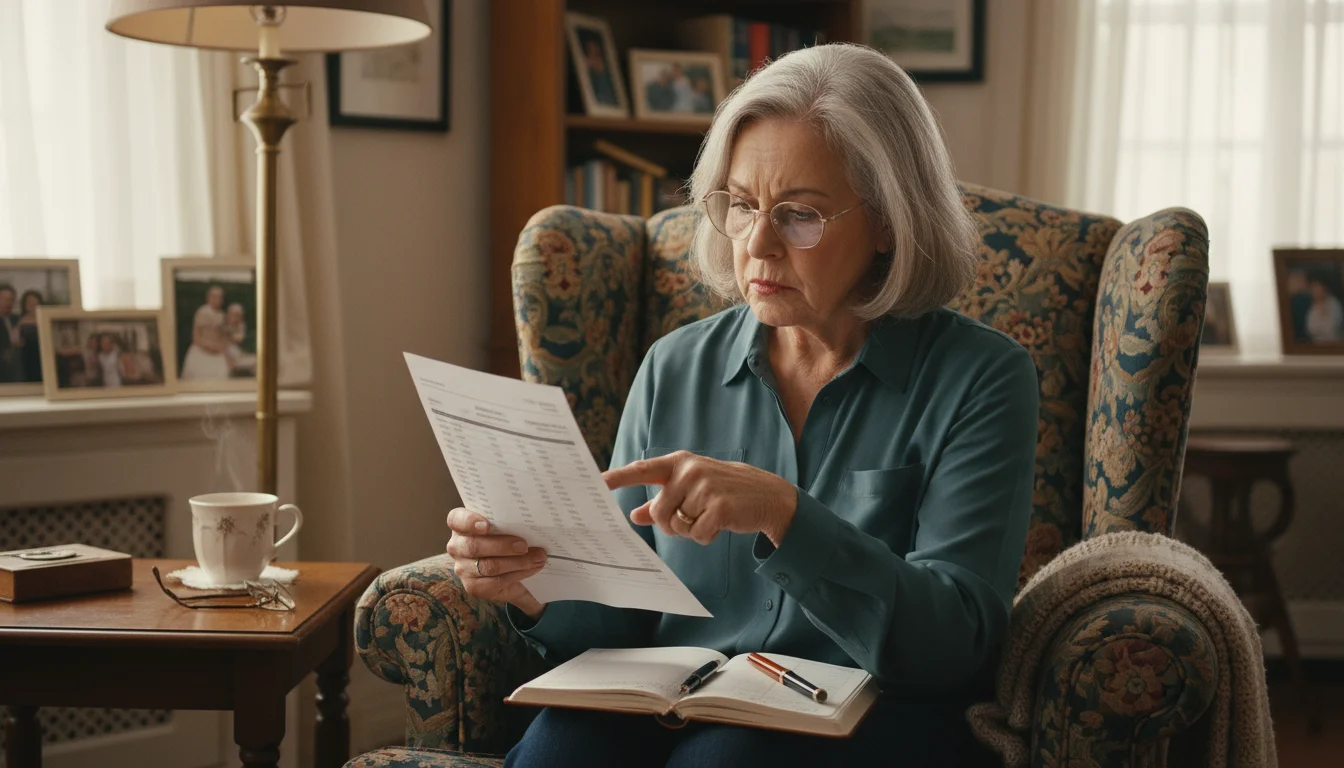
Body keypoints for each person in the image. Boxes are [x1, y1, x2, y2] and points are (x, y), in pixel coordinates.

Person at [446, 43, 1036, 767]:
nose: (756, 243)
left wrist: (788, 515)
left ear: (889, 221)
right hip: (679, 702)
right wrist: (532, 582)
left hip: (878, 716)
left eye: (799, 216)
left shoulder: (983, 378)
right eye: (740, 204)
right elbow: (622, 614)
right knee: (554, 752)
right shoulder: (675, 365)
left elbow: (957, 645)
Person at [180, 285, 231, 380]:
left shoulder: (222, 315)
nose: (218, 300)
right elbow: (196, 336)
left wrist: (223, 349)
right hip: (201, 353)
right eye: (215, 297)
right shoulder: (202, 312)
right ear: (209, 297)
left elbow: (222, 335)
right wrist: (207, 347)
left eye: (220, 297)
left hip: (217, 354)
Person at [1305, 276, 1344, 342]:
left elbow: (1331, 329)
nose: (1313, 292)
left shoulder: (1334, 304)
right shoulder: (1313, 306)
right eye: (1312, 288)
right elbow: (1309, 329)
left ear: (1324, 288)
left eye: (1316, 288)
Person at [17, 290, 44, 382]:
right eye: (29, 302)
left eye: (34, 301)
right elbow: (16, 338)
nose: (32, 305)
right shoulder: (20, 320)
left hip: (42, 353)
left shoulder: (44, 318)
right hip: (27, 355)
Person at [223, 302, 256, 375]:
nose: (237, 318)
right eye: (235, 315)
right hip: (224, 358)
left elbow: (239, 339)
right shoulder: (221, 326)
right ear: (228, 315)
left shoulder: (241, 326)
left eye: (239, 315)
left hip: (238, 356)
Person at [0, 284, 19, 383]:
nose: (8, 303)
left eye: (11, 300)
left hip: (17, 374)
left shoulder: (17, 319)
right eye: (4, 299)